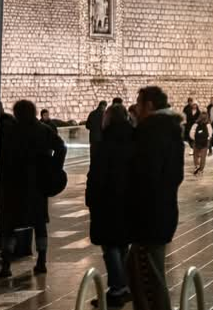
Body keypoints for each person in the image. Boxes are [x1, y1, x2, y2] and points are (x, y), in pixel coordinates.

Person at [126, 87, 184, 310]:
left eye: (139, 104)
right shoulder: (169, 130)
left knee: (148, 279)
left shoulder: (151, 131)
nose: (137, 109)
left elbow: (145, 175)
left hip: (148, 216)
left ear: (149, 105)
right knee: (142, 270)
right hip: (162, 211)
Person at [0, 99, 64, 277]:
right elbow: (61, 147)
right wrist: (53, 168)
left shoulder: (9, 131)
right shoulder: (43, 130)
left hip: (13, 184)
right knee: (40, 224)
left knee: (9, 226)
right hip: (37, 184)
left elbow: (0, 156)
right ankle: (41, 260)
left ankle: (6, 264)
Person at [86, 104, 134, 306]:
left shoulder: (106, 143)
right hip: (128, 199)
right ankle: (125, 286)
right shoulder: (135, 139)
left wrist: (91, 198)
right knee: (123, 244)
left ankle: (117, 288)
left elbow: (97, 174)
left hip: (108, 200)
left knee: (110, 246)